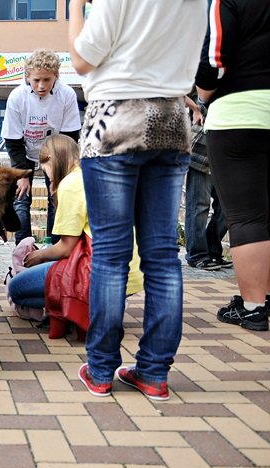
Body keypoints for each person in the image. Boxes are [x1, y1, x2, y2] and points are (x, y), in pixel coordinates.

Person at [68, 0, 208, 400]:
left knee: (111, 255)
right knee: (163, 257)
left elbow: (81, 59)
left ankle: (99, 370)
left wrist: (76, 6)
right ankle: (153, 372)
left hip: (115, 116)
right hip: (170, 118)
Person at [7, 135, 142, 327]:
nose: (48, 177)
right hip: (132, 271)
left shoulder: (71, 184)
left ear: (52, 160)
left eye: (46, 170)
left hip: (99, 272)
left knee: (17, 288)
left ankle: (89, 305)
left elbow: (66, 248)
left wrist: (39, 256)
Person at [195, 0, 270, 331]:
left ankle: (255, 305)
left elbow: (215, 59)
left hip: (238, 114)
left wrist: (203, 93)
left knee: (247, 216)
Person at [1, 49, 81, 244]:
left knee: (57, 197)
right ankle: (23, 246)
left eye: (47, 79)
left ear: (56, 76)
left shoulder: (67, 95)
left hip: (56, 152)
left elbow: (70, 136)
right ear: (27, 76)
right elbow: (12, 140)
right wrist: (21, 175)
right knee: (21, 197)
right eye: (36, 80)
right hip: (25, 150)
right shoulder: (17, 97)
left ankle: (53, 246)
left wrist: (58, 172)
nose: (41, 85)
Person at [182, 96, 230, 271]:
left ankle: (213, 251)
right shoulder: (209, 71)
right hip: (202, 151)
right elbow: (182, 90)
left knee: (226, 209)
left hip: (228, 154)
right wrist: (195, 108)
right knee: (198, 207)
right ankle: (197, 255)